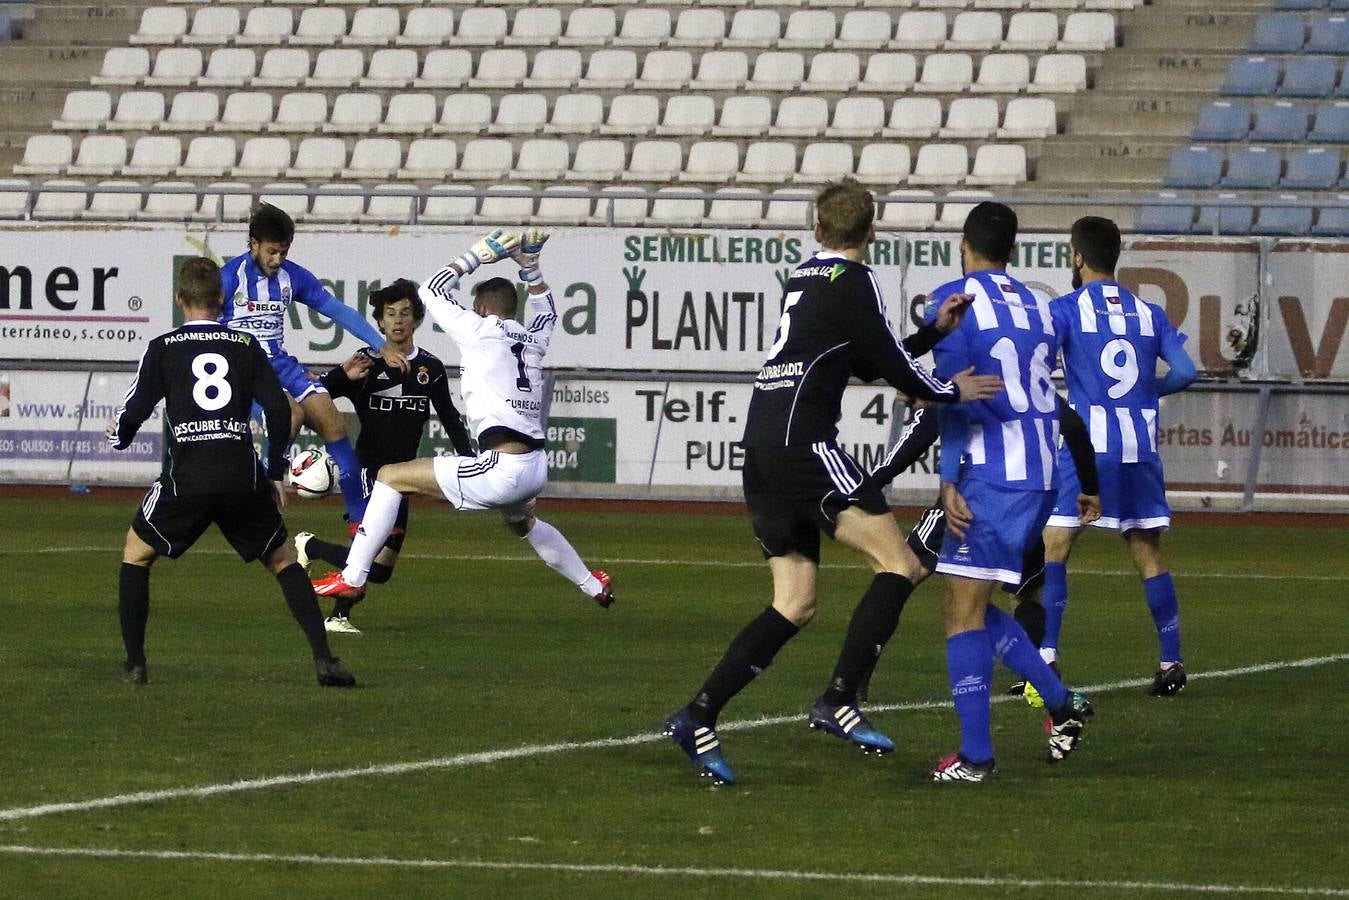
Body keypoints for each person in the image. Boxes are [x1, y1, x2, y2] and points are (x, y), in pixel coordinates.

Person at [662, 178, 1004, 785]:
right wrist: (951, 386)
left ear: (816, 231)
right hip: (804, 445)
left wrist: (932, 334)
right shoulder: (857, 282)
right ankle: (840, 697)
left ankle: (699, 713)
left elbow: (865, 359)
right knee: (900, 565)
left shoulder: (804, 278)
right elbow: (891, 367)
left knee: (794, 603)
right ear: (871, 232)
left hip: (763, 445)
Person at [310, 229, 613, 609]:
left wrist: (476, 255)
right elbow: (547, 310)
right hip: (535, 467)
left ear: (482, 308)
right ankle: (592, 584)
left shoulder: (478, 328)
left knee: (391, 477)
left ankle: (352, 577)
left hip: (503, 468)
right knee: (524, 524)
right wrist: (531, 268)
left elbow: (431, 290)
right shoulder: (532, 339)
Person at [107, 257, 355, 688]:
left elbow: (135, 409)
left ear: (179, 299)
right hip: (242, 474)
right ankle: (325, 660)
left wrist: (120, 437)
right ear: (222, 300)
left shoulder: (163, 347)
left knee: (136, 553)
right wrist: (275, 471)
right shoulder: (244, 345)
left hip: (189, 476)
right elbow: (279, 410)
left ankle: (135, 664)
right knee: (281, 561)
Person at [928, 201, 1097, 783]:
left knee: (961, 613)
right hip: (1041, 470)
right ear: (1013, 252)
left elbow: (957, 393)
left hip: (993, 472)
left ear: (963, 245)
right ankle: (1061, 703)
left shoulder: (954, 300)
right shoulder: (1040, 304)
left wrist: (949, 477)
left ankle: (977, 756)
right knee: (971, 603)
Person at [852, 392, 1101, 706]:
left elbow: (918, 437)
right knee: (1029, 591)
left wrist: (867, 487)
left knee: (901, 577)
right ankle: (1036, 682)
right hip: (1024, 506)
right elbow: (1075, 428)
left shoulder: (966, 383)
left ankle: (853, 680)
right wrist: (1090, 487)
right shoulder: (1033, 383)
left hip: (968, 502)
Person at [1041, 216, 1198, 696]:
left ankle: (1047, 657)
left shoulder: (1066, 309)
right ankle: (1171, 662)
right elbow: (1188, 370)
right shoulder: (1148, 312)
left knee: (1054, 546)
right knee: (1146, 550)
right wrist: (1147, 392)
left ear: (1079, 257)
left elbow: (1036, 365)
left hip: (1090, 447)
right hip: (1138, 447)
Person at [294, 279, 475, 634]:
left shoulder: (431, 368)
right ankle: (338, 616)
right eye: (389, 314)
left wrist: (471, 460)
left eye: (405, 313)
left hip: (404, 475)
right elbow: (315, 395)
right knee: (368, 551)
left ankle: (310, 546)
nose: (397, 321)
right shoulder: (365, 363)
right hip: (368, 473)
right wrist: (339, 376)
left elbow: (450, 417)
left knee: (381, 570)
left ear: (417, 321)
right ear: (378, 323)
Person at [219, 202, 409, 528]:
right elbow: (201, 328)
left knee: (332, 421)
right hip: (243, 368)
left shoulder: (293, 276)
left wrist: (383, 346)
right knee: (290, 414)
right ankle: (266, 490)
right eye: (272, 252)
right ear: (253, 244)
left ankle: (359, 521)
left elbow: (337, 311)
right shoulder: (229, 278)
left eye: (284, 251)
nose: (278, 259)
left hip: (281, 364)